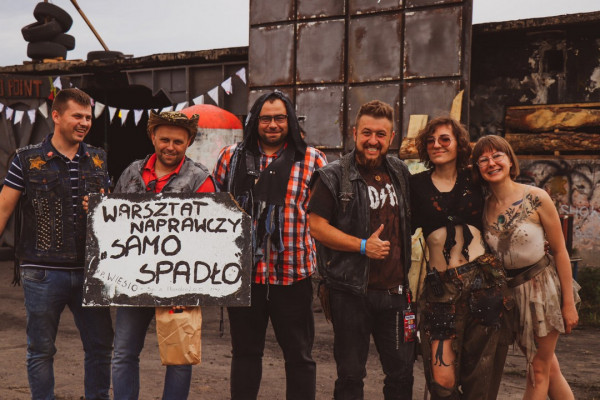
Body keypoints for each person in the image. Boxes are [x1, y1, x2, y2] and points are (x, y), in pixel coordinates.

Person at [0, 88, 113, 399]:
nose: (84, 122)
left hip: (91, 272)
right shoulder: (26, 159)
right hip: (42, 272)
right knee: (41, 349)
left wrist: (102, 207)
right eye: (77, 116)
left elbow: (113, 215)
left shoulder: (99, 159)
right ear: (56, 116)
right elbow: (4, 208)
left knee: (101, 347)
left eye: (88, 117)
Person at [213, 90, 326, 400]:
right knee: (245, 353)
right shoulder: (230, 157)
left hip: (292, 273)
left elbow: (322, 215)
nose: (273, 124)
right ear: (254, 121)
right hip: (244, 275)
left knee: (299, 356)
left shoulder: (313, 159)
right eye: (265, 118)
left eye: (279, 118)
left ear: (290, 121)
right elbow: (213, 208)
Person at [308, 100, 415, 399]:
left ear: (391, 138)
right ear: (354, 133)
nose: (373, 141)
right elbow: (316, 226)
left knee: (402, 375)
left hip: (395, 293)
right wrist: (363, 246)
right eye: (367, 133)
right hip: (350, 293)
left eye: (381, 134)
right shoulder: (333, 175)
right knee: (351, 376)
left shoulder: (400, 171)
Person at [109, 110, 215, 400]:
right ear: (152, 137)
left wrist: (192, 286)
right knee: (124, 353)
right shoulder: (131, 173)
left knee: (179, 356)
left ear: (189, 142)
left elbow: (211, 236)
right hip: (133, 280)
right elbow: (113, 223)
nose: (170, 147)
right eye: (165, 139)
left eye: (178, 142)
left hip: (179, 281)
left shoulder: (200, 179)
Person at [472, 135, 579, 400]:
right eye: (483, 159)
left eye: (497, 155)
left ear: (510, 160)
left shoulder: (536, 197)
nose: (491, 163)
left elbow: (560, 251)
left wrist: (568, 303)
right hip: (509, 296)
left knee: (537, 370)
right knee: (549, 368)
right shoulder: (483, 207)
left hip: (541, 290)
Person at [410, 117, 508, 400]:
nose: (437, 145)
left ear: (458, 145)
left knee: (481, 374)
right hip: (440, 287)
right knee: (442, 383)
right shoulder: (415, 184)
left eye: (444, 139)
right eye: (430, 141)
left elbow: (507, 195)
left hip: (483, 281)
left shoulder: (475, 178)